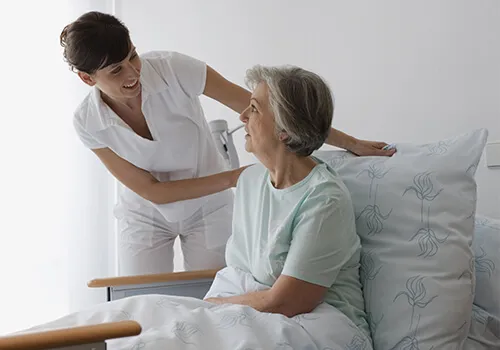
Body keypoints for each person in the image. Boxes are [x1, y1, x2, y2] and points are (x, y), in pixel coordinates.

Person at [60, 11, 395, 277]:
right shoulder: (88, 122)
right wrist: (234, 177)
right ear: (87, 79)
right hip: (145, 213)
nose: (133, 72)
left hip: (208, 206)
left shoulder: (173, 68)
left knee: (213, 293)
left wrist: (350, 141)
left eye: (133, 56)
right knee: (140, 302)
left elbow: (274, 112)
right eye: (117, 71)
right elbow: (152, 191)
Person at [204, 64, 371, 339]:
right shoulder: (251, 181)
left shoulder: (324, 199)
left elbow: (288, 302)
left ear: (285, 130)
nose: (243, 116)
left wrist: (208, 308)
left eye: (254, 109)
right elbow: (240, 274)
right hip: (253, 313)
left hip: (319, 327)